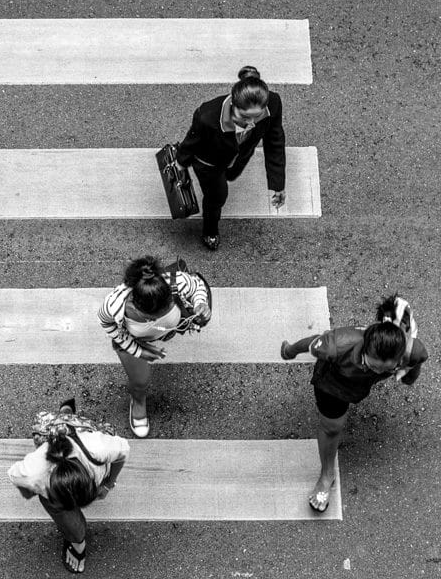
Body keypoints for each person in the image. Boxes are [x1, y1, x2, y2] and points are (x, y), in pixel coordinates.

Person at [280, 293, 427, 513]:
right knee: (332, 427)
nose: (378, 371)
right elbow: (311, 343)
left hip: (359, 387)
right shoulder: (336, 345)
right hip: (333, 383)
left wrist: (409, 372)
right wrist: (289, 350)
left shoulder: (411, 352)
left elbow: (413, 369)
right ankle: (326, 475)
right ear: (365, 348)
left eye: (386, 368)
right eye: (373, 365)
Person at [8, 398, 129, 574]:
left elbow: (123, 450)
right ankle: (76, 539)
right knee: (56, 505)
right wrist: (107, 483)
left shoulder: (99, 447)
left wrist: (110, 484)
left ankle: (65, 415)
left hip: (78, 439)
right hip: (61, 456)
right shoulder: (34, 472)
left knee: (53, 503)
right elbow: (16, 475)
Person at [98, 255, 211, 438]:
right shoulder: (114, 304)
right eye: (150, 317)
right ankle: (138, 402)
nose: (155, 319)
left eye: (166, 309)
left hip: (165, 330)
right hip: (134, 339)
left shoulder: (178, 281)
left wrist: (200, 303)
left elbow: (197, 286)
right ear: (134, 305)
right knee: (140, 381)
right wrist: (136, 349)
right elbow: (106, 323)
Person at [175, 64, 286, 251]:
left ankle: (249, 77)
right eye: (244, 117)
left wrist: (278, 184)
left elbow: (274, 142)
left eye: (256, 117)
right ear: (233, 105)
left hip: (238, 158)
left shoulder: (273, 104)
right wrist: (180, 163)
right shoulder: (207, 117)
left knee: (231, 175)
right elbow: (191, 141)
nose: (251, 123)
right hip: (208, 163)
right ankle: (210, 231)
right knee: (217, 197)